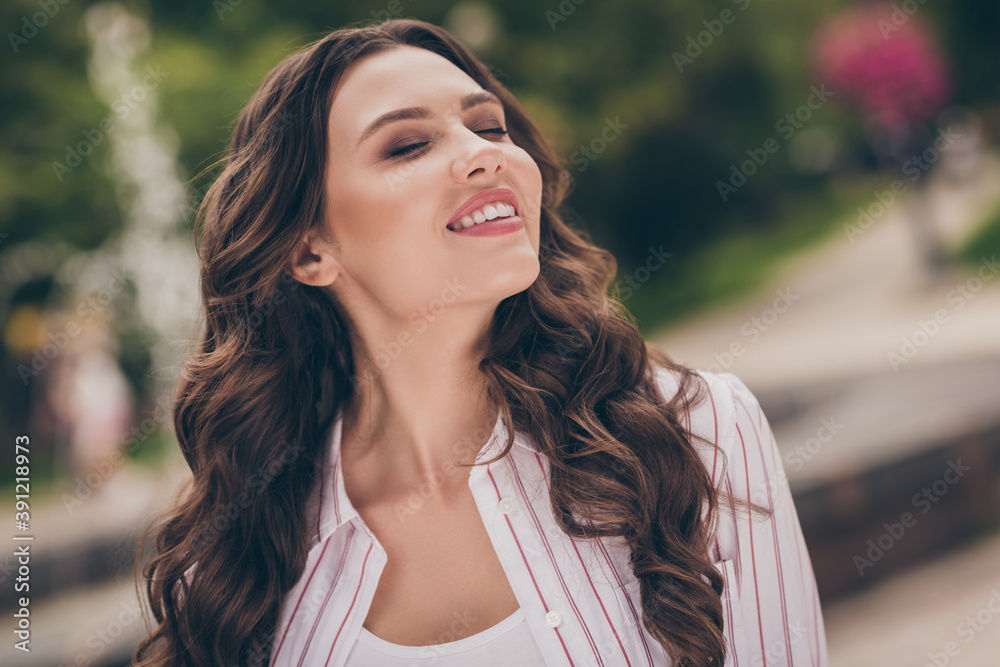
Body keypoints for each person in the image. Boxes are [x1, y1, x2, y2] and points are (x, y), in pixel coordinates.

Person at [134, 18, 827, 667]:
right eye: (407, 144)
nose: (482, 155)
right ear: (309, 250)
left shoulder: (699, 434)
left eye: (489, 127)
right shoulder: (237, 561)